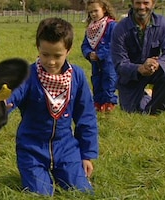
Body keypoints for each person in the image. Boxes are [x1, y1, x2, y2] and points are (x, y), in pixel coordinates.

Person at [6, 17, 99, 196]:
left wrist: (86, 155)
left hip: (66, 148)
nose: (51, 62)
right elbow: (12, 95)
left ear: (68, 50)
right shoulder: (28, 74)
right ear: (38, 49)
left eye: (57, 56)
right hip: (32, 148)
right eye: (45, 54)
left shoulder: (77, 77)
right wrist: (1, 104)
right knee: (41, 193)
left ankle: (68, 173)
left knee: (81, 191)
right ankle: (34, 173)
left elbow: (86, 117)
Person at [111, 0, 165, 115]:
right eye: (138, 3)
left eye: (146, 3)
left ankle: (155, 111)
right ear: (132, 3)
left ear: (153, 4)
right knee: (132, 112)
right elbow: (119, 63)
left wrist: (158, 63)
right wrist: (139, 68)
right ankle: (146, 95)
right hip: (131, 75)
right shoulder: (120, 29)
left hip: (154, 69)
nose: (141, 7)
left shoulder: (162, 24)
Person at [81, 0, 118, 112]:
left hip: (109, 60)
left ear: (104, 9)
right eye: (90, 12)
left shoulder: (112, 25)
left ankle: (109, 102)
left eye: (96, 11)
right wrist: (89, 53)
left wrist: (100, 54)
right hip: (95, 62)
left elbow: (113, 43)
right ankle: (97, 102)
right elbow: (85, 44)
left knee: (109, 79)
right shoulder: (90, 29)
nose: (93, 14)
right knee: (96, 80)